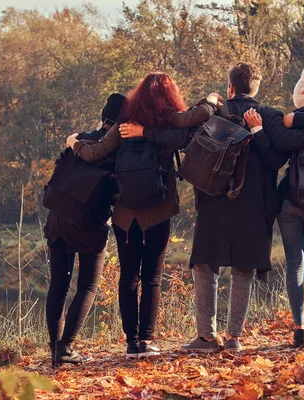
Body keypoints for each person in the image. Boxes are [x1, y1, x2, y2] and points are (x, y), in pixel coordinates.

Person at [122, 63, 289, 352]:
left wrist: (144, 131)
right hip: (254, 206)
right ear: (256, 88)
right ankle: (234, 338)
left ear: (230, 88)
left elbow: (179, 137)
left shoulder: (215, 114)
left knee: (204, 266)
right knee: (243, 269)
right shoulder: (271, 116)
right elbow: (277, 160)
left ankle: (206, 337)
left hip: (214, 200)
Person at [66, 72, 218, 359]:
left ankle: (131, 343)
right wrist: (209, 101)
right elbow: (190, 131)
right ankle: (146, 342)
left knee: (128, 277)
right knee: (152, 277)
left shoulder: (125, 124)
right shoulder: (170, 122)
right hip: (159, 209)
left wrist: (74, 144)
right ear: (170, 96)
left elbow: (96, 152)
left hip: (126, 212)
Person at [244, 67, 304, 347]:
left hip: (290, 204)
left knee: (295, 266)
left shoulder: (291, 125)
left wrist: (287, 120)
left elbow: (277, 152)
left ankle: (299, 330)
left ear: (299, 99)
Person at [45, 93, 126, 367]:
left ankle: (55, 350)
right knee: (88, 285)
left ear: (103, 115)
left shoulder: (80, 138)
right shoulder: (119, 149)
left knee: (58, 285)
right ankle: (66, 349)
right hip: (90, 222)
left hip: (58, 217)